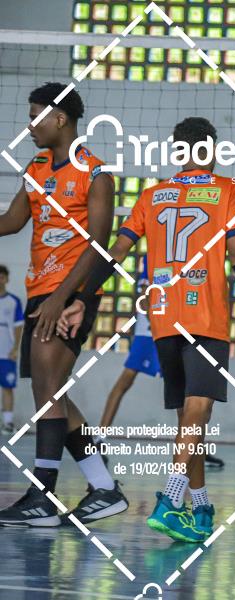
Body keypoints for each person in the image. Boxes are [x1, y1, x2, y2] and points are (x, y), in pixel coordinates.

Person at [59, 117, 235, 543]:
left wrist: (83, 296)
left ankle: (202, 508)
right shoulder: (226, 190)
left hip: (163, 319)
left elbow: (117, 251)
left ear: (178, 152)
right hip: (205, 317)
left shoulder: (151, 195)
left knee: (190, 419)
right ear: (210, 151)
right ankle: (171, 500)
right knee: (198, 412)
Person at [0, 82, 127, 526]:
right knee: (52, 393)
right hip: (41, 290)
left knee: (47, 392)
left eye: (35, 116)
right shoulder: (36, 168)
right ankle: (104, 488)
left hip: (71, 294)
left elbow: (99, 244)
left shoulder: (96, 173)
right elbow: (13, 221)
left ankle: (43, 497)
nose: (29, 125)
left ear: (60, 118)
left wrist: (62, 298)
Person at [97, 257, 224, 468]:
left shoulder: (187, 256)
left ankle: (195, 449)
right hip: (151, 331)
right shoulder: (153, 256)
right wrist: (158, 317)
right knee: (126, 380)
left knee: (189, 393)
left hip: (175, 329)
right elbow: (145, 297)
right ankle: (100, 439)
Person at [0, 265, 25, 433]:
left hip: (6, 352)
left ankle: (8, 423)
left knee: (7, 386)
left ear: (7, 279)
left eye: (2, 277)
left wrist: (15, 348)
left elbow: (18, 326)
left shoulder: (14, 301)